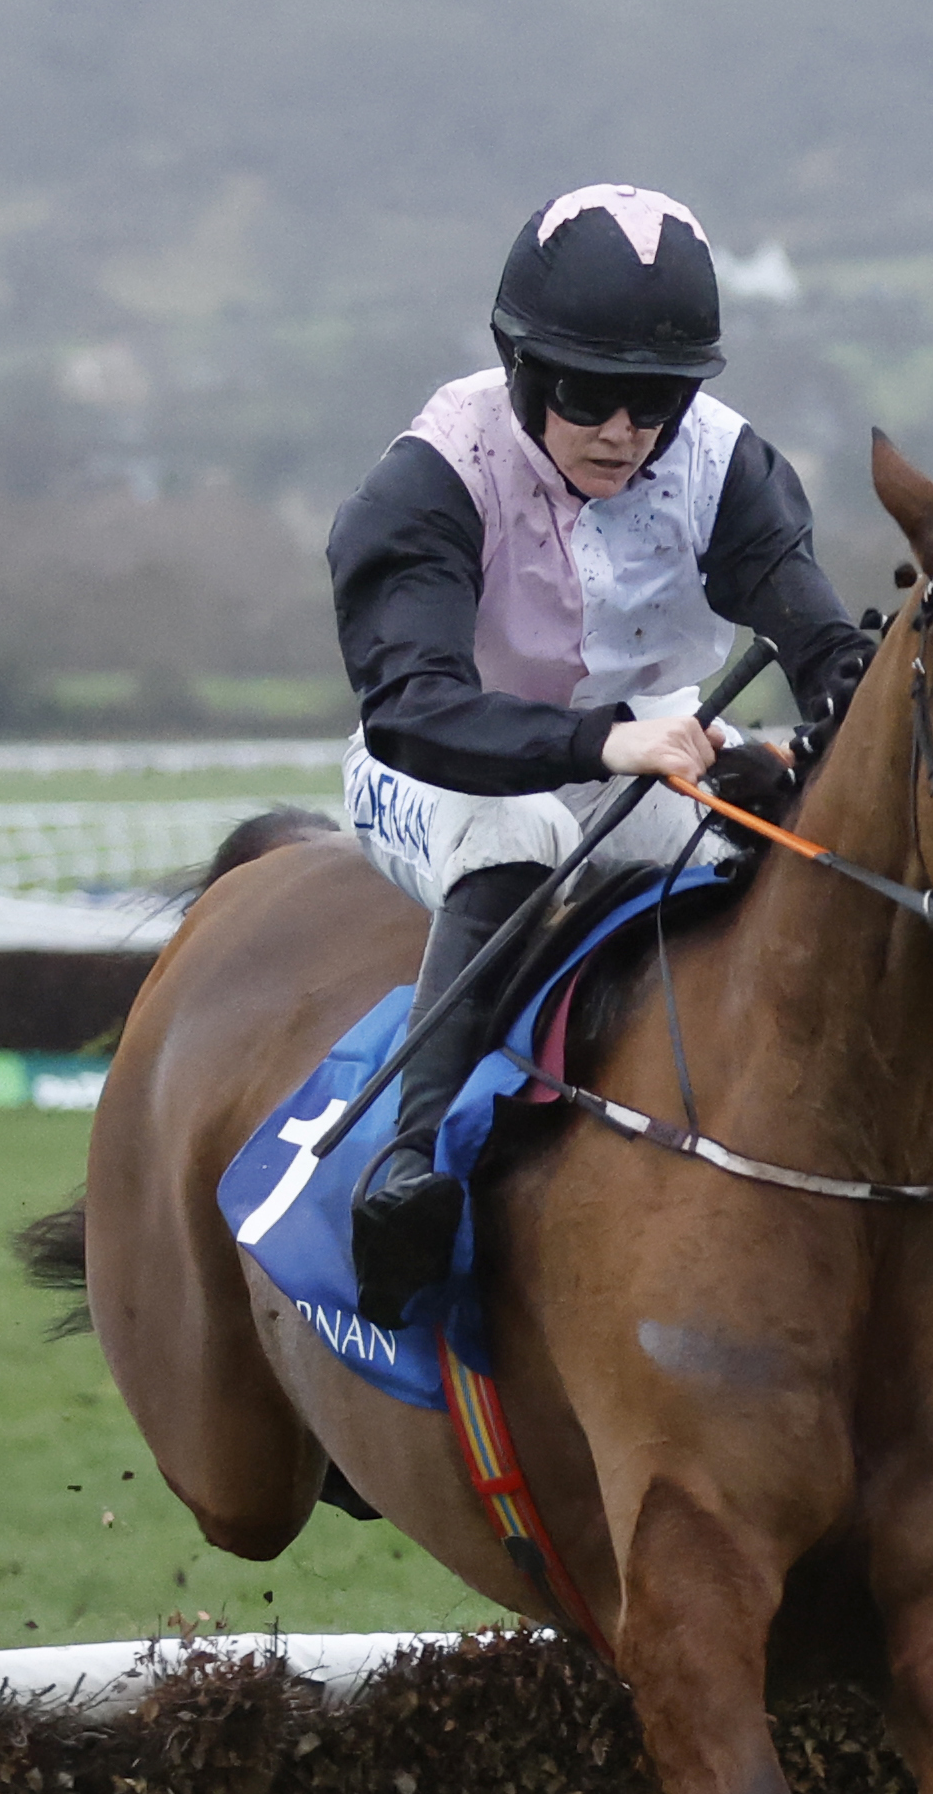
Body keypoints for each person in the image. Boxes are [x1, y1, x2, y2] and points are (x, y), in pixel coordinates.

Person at [325, 182, 890, 1325]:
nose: (624, 434)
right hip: (439, 761)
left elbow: (825, 643)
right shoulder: (433, 477)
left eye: (655, 403)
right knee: (517, 837)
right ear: (523, 366)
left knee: (786, 856)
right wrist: (606, 742)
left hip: (645, 741)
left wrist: (821, 735)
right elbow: (417, 707)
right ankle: (409, 1161)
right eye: (590, 397)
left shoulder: (728, 466)